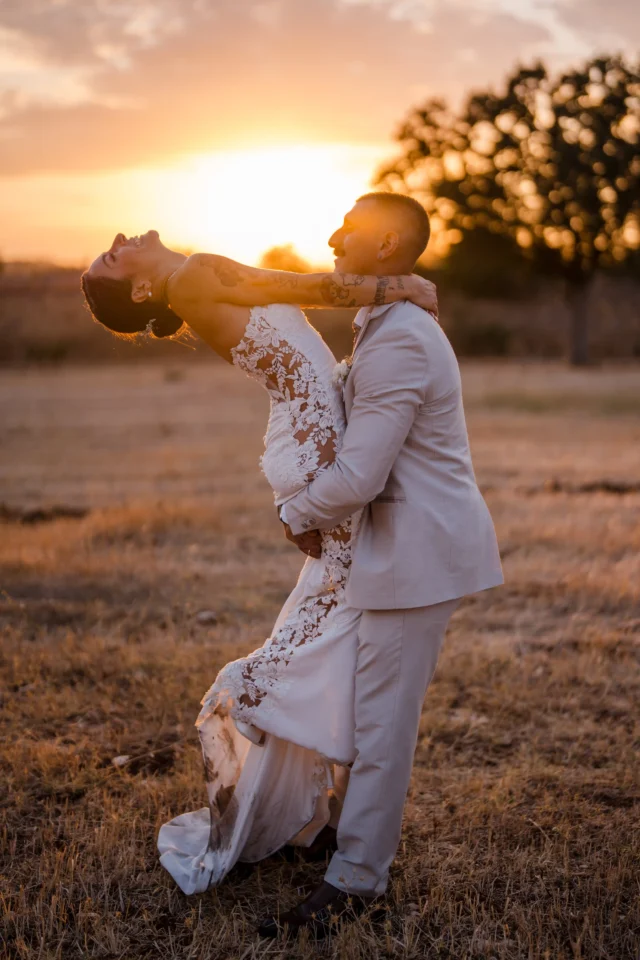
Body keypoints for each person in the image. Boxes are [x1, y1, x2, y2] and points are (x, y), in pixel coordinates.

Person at [80, 201, 439, 898]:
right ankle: (265, 703)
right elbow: (313, 289)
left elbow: (294, 290)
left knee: (343, 614)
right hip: (312, 449)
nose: (122, 239)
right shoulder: (192, 277)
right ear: (143, 291)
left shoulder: (197, 273)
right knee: (345, 615)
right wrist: (402, 287)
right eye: (113, 257)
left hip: (307, 445)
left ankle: (317, 791)